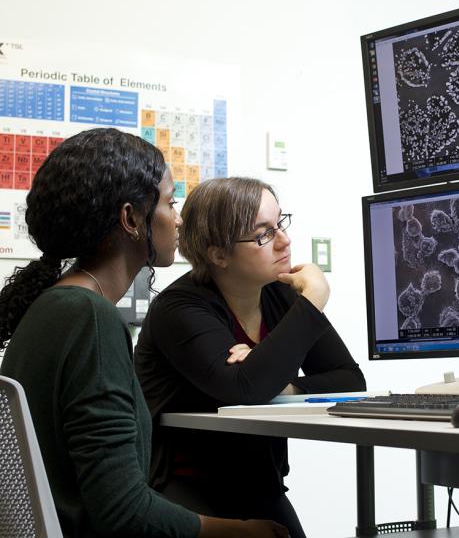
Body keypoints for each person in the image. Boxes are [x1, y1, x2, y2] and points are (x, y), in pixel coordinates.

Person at [0, 129, 287, 537]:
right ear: (131, 219)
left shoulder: (54, 306)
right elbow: (123, 514)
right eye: (170, 202)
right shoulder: (89, 318)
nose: (180, 217)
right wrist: (242, 531)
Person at [134, 177, 366, 538]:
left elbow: (349, 378)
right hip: (183, 488)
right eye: (263, 234)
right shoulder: (178, 308)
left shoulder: (281, 295)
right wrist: (314, 299)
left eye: (281, 224)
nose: (285, 242)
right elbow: (246, 386)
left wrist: (280, 380)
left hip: (260, 484)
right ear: (219, 254)